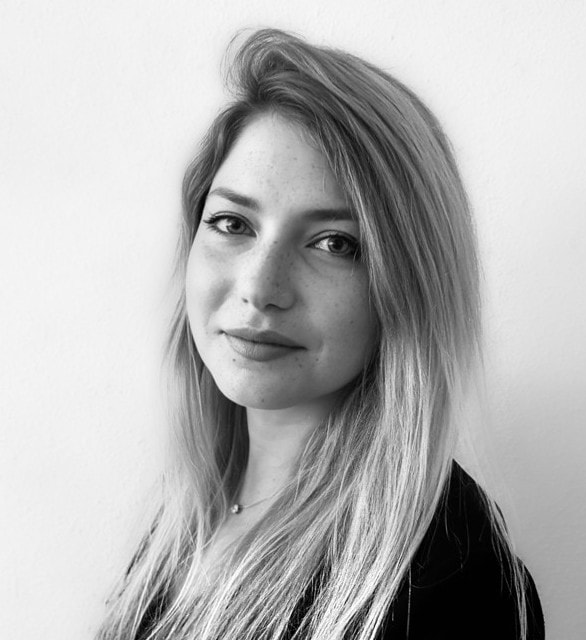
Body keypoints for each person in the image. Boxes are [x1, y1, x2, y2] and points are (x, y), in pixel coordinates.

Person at [97, 29, 544, 640]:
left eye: (334, 243)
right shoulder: (190, 513)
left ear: (407, 285)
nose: (260, 287)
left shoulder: (445, 580)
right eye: (232, 222)